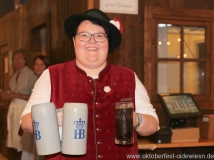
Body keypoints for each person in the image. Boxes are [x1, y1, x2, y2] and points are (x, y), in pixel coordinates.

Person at [21, 9, 159, 160]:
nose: (92, 41)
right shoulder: (52, 75)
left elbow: (153, 125)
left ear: (108, 42)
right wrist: (51, 118)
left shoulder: (128, 76)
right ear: (74, 40)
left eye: (99, 36)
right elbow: (26, 122)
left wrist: (136, 119)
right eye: (84, 35)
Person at [0, 49, 38, 157]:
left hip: (25, 110)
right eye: (15, 58)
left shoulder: (31, 74)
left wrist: (15, 95)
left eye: (20, 57)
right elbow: (12, 94)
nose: (17, 60)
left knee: (23, 142)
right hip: (14, 109)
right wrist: (6, 96)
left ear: (25, 60)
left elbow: (35, 97)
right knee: (14, 141)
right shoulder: (13, 76)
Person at [21, 55, 50, 160]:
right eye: (36, 64)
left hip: (44, 118)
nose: (38, 67)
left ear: (47, 66)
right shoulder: (36, 79)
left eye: (42, 64)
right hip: (33, 117)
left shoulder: (48, 80)